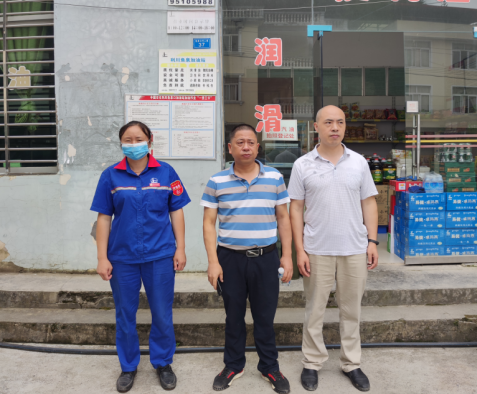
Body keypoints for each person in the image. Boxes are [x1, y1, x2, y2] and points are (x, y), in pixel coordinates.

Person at [91, 121, 190, 393]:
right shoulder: (111, 175)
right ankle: (128, 366)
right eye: (128, 139)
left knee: (162, 313)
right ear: (121, 143)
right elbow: (104, 217)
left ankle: (163, 363)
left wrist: (180, 248)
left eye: (138, 139)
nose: (133, 144)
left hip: (160, 255)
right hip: (122, 257)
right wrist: (102, 257)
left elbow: (177, 211)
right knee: (125, 314)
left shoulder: (166, 172)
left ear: (149, 141)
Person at [288, 105, 379, 392]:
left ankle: (351, 363)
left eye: (340, 122)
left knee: (351, 310)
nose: (335, 127)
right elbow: (295, 208)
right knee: (314, 310)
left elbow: (369, 202)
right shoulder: (303, 164)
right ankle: (312, 362)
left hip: (354, 248)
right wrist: (300, 249)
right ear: (316, 127)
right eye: (328, 122)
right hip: (317, 249)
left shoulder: (359, 162)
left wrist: (372, 241)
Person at [201, 123, 293, 394]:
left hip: (266, 258)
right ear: (230, 148)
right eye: (240, 143)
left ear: (258, 147)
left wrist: (287, 256)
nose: (246, 147)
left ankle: (269, 367)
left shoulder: (274, 177)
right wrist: (213, 261)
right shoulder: (216, 181)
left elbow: (284, 218)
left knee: (265, 316)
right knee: (233, 316)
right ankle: (233, 365)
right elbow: (208, 223)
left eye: (251, 142)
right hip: (230, 259)